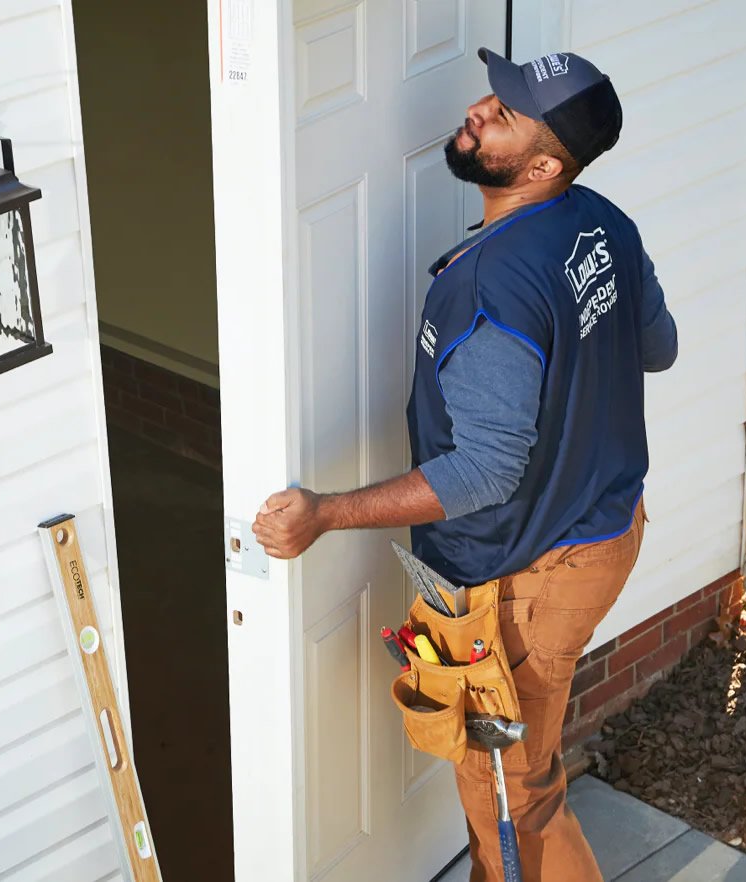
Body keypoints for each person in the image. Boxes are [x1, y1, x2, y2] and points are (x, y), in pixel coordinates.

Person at [253, 47, 677, 882]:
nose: (480, 109)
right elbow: (657, 346)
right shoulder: (601, 223)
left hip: (530, 580)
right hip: (604, 528)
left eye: (506, 113)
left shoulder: (491, 289)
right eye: (496, 94)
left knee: (510, 790)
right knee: (514, 778)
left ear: (545, 163)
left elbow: (483, 472)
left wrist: (325, 513)